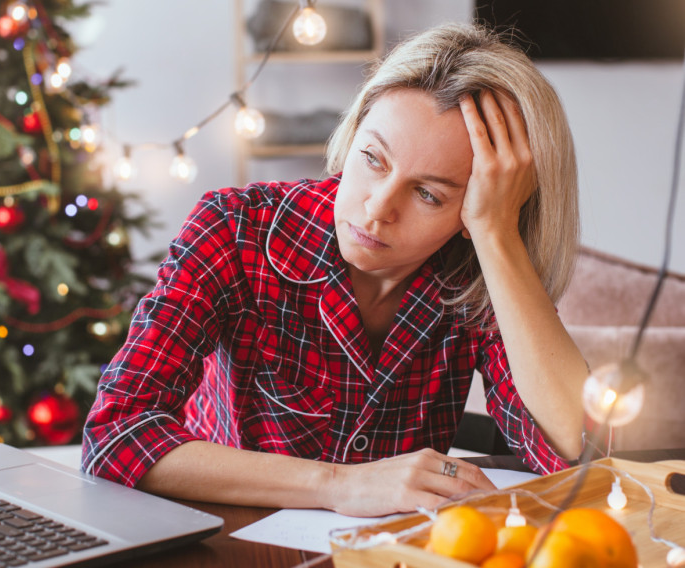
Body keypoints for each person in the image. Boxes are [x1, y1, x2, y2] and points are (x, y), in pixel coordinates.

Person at [81, 22, 591, 518]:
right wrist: (340, 484)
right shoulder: (235, 231)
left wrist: (497, 233)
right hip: (235, 543)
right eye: (372, 158)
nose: (377, 208)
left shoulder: (476, 274)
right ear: (352, 135)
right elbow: (115, 435)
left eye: (429, 194)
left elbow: (574, 449)